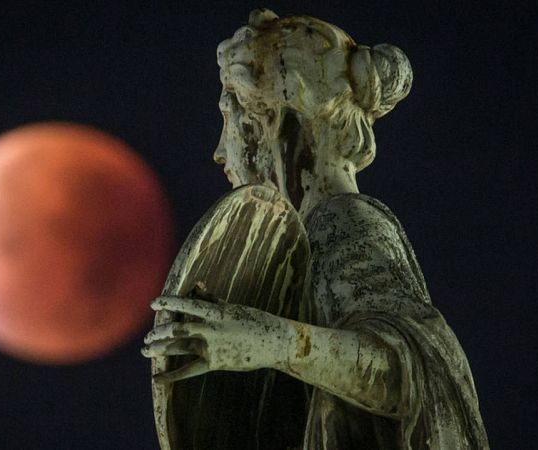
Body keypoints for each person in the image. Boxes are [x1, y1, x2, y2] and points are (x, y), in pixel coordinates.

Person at [142, 9, 489, 450]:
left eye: (233, 120)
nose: (219, 152)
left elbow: (408, 367)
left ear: (278, 124)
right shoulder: (314, 231)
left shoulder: (342, 220)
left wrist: (273, 342)